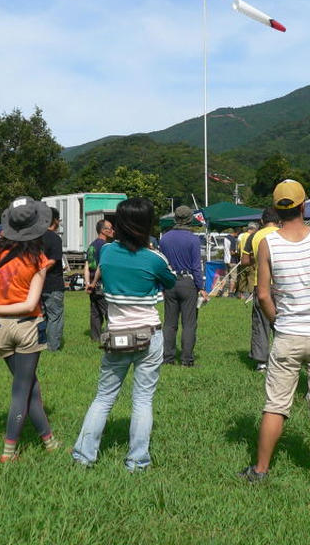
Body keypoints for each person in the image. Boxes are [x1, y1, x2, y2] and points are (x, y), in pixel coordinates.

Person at [239, 179, 310, 484]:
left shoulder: (268, 243)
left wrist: (277, 323)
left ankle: (260, 470)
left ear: (275, 208)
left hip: (287, 336)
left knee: (276, 405)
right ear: (304, 204)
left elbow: (262, 295)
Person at [72, 198, 176, 470]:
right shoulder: (154, 259)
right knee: (142, 399)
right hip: (148, 335)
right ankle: (137, 461)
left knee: (104, 397)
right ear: (147, 225)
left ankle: (84, 456)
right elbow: (170, 281)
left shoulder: (106, 252)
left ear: (118, 224)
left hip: (116, 334)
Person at [0, 196, 60, 462]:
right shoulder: (38, 258)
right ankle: (9, 451)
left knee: (31, 387)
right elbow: (30, 304)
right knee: (22, 390)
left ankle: (49, 442)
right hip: (26, 328)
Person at [158, 205, 207, 367]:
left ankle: (168, 358)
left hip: (169, 282)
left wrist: (161, 285)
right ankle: (187, 359)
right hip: (188, 282)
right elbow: (196, 266)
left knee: (170, 323)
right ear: (189, 219)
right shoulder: (193, 239)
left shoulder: (164, 238)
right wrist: (201, 287)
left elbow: (161, 265)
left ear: (175, 218)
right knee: (189, 323)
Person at [244, 208, 280, 371]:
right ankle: (283, 357)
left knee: (261, 322)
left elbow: (245, 260)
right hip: (282, 284)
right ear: (278, 220)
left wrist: (255, 261)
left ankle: (261, 362)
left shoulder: (254, 235)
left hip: (262, 283)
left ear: (261, 221)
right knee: (283, 321)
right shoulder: (284, 232)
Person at [84, 219, 114, 341]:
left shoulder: (91, 246)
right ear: (103, 231)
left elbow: (86, 266)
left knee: (95, 313)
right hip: (101, 285)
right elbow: (101, 267)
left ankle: (95, 338)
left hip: (92, 285)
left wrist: (88, 283)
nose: (113, 230)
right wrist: (94, 282)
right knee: (109, 313)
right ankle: (110, 339)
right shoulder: (106, 247)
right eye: (110, 228)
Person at [41, 207, 65, 351]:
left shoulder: (35, 237)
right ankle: (52, 347)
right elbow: (54, 260)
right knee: (55, 317)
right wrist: (41, 272)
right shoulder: (55, 238)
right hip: (53, 284)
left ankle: (39, 344)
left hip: (36, 285)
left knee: (41, 316)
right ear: (55, 220)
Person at [236, 222, 258, 298]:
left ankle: (241, 294)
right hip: (250, 260)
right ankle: (251, 295)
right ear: (253, 229)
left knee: (242, 278)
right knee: (251, 277)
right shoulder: (252, 237)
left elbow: (239, 249)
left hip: (242, 260)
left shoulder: (241, 236)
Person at [222, 229, 239, 296]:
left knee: (225, 277)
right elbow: (232, 252)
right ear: (236, 232)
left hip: (226, 260)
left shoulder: (225, 238)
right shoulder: (232, 239)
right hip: (232, 261)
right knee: (233, 278)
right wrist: (238, 253)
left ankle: (220, 291)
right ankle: (231, 293)